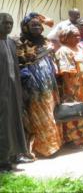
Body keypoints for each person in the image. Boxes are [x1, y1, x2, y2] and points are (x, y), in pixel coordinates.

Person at [16, 12, 62, 157]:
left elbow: (52, 58)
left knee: (51, 112)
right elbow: (20, 64)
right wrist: (28, 80)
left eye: (38, 25)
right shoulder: (21, 42)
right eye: (33, 25)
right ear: (26, 27)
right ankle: (43, 148)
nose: (37, 27)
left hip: (50, 83)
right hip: (34, 85)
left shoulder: (45, 40)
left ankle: (55, 144)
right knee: (39, 115)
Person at [0, 13, 28, 171]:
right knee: (3, 124)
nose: (8, 26)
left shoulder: (11, 43)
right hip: (1, 90)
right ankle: (2, 161)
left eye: (10, 23)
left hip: (12, 89)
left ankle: (14, 154)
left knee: (14, 121)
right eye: (5, 23)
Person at [55, 26, 83, 145]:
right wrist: (69, 89)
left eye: (78, 35)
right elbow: (65, 71)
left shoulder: (79, 48)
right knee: (72, 111)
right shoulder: (63, 50)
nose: (78, 37)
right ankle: (72, 139)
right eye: (74, 35)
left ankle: (82, 137)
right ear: (66, 38)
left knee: (80, 110)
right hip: (73, 86)